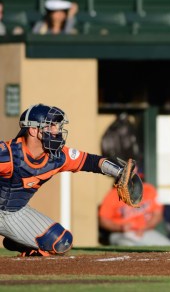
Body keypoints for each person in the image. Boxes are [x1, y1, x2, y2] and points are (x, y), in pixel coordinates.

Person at [0, 104, 137, 256]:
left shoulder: (58, 156)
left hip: (16, 211)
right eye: (50, 126)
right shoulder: (9, 155)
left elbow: (90, 161)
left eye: (57, 126)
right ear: (33, 130)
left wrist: (119, 171)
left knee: (62, 242)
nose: (56, 130)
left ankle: (18, 240)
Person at [99, 178, 170, 247]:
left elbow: (157, 214)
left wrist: (144, 228)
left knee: (168, 246)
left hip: (145, 232)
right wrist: (120, 228)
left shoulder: (148, 189)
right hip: (121, 233)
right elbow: (103, 220)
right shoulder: (113, 194)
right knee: (128, 245)